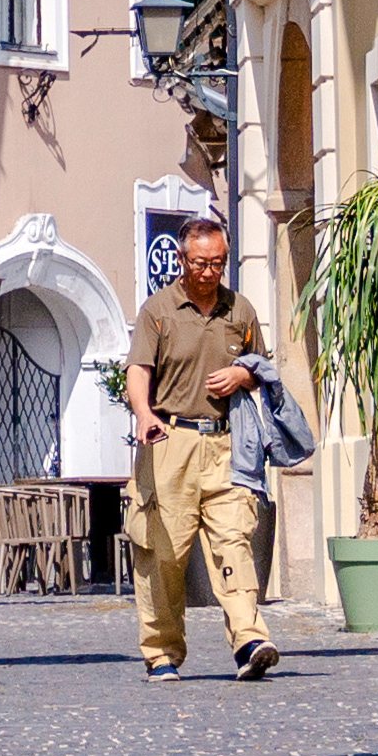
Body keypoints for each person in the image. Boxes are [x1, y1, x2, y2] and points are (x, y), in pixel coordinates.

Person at [121, 215, 281, 681]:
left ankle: (249, 639)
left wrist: (243, 375)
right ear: (182, 259)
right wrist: (144, 415)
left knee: (233, 541)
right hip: (170, 441)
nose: (209, 272)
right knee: (164, 553)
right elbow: (138, 371)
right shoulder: (159, 310)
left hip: (227, 442)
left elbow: (262, 367)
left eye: (217, 263)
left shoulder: (241, 311)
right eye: (200, 263)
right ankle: (162, 652)